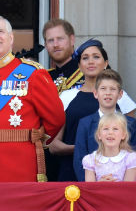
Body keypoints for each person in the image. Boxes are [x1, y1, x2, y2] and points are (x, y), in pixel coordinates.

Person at [0, 15, 65, 182]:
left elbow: (56, 118)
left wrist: (33, 139)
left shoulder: (34, 73)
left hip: (21, 163)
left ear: (11, 38)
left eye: (0, 31)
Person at [50, 39, 136, 181]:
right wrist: (83, 147)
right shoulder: (66, 97)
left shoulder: (122, 97)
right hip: (74, 173)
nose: (91, 62)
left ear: (106, 63)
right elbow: (53, 145)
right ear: (79, 66)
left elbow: (131, 142)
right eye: (85, 58)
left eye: (96, 57)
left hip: (119, 179)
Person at [73, 69, 136, 181]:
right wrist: (93, 186)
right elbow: (79, 160)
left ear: (120, 94)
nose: (108, 93)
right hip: (93, 190)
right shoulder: (85, 123)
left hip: (125, 188)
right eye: (103, 88)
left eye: (113, 89)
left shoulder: (131, 123)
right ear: (96, 93)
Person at [82, 112, 136, 182]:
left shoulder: (130, 159)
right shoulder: (90, 160)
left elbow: (128, 189)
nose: (110, 132)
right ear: (99, 135)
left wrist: (110, 186)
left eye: (115, 129)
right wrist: (100, 184)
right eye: (106, 129)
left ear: (123, 135)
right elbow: (90, 190)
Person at [43, 19, 84, 93]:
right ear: (45, 45)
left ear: (72, 40)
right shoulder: (44, 79)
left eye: (60, 39)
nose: (55, 45)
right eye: (51, 40)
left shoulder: (88, 74)